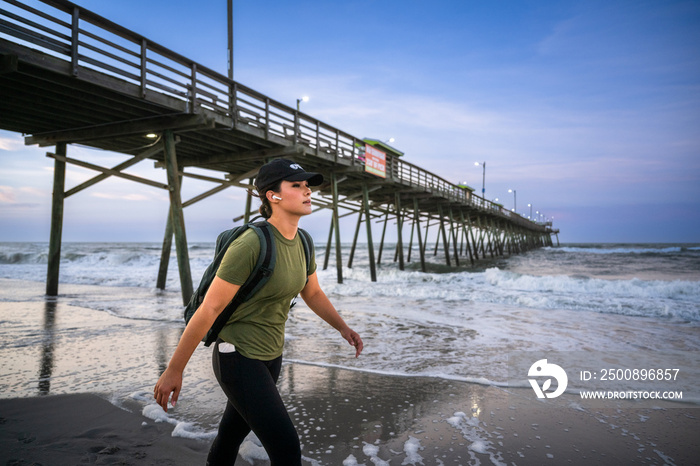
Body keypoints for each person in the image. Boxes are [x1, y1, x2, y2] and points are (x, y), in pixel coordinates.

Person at [154, 158, 363, 465]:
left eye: (307, 185)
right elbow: (210, 308)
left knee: (230, 435)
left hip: (271, 356)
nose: (307, 191)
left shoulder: (303, 241)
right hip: (237, 357)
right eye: (297, 185)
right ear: (272, 196)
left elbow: (313, 291)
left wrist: (343, 328)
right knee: (286, 448)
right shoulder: (252, 243)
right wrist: (174, 369)